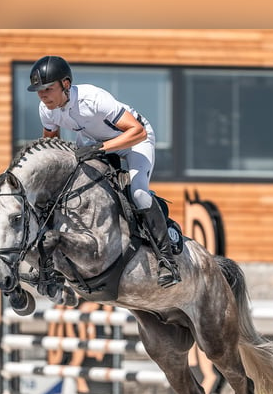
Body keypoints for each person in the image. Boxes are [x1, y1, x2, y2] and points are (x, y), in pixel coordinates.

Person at [27, 55, 180, 288]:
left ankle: (167, 259)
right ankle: (50, 262)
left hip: (134, 141)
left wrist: (101, 148)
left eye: (48, 88)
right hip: (93, 144)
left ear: (66, 84)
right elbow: (51, 146)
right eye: (39, 90)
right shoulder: (47, 110)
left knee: (138, 193)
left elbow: (136, 131)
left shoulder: (93, 99)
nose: (42, 95)